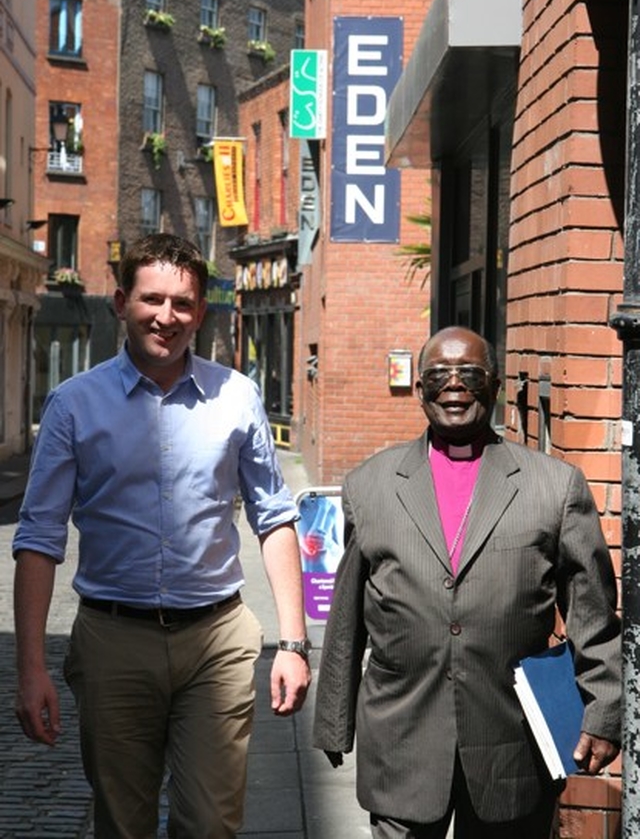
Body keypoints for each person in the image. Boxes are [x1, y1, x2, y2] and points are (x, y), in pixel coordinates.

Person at [13, 233, 311, 839]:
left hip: (217, 640)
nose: (166, 317)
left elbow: (274, 516)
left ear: (200, 311)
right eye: (152, 300)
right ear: (121, 301)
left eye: (182, 303)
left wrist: (294, 643)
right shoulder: (74, 405)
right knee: (123, 825)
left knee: (211, 824)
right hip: (113, 642)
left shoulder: (238, 396)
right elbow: (39, 539)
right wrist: (30, 668)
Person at [313, 326, 621, 839]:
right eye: (438, 375)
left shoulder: (554, 487)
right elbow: (347, 616)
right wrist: (332, 719)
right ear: (419, 389)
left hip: (510, 746)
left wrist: (604, 709)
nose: (453, 386)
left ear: (494, 384)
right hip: (401, 741)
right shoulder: (368, 486)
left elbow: (591, 610)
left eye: (469, 374)